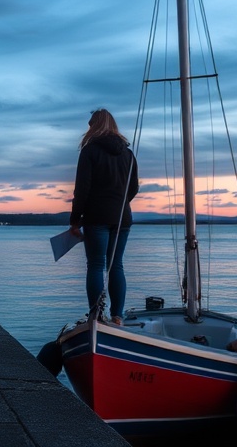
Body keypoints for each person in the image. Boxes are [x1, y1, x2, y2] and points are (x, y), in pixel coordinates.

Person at [68, 108, 139, 325]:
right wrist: (119, 203)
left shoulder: (90, 151)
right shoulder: (128, 153)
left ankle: (96, 315)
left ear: (95, 125)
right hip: (122, 218)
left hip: (96, 216)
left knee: (96, 265)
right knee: (116, 265)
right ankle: (118, 315)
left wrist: (75, 219)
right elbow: (133, 188)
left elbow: (82, 188)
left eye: (90, 124)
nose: (88, 128)